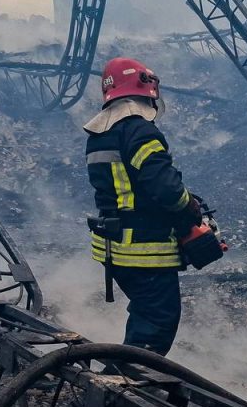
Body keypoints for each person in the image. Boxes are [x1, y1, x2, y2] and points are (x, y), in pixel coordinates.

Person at [85, 57, 204, 355]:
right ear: (146, 87)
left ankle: (123, 382)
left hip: (115, 247)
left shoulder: (101, 134)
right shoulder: (139, 130)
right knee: (157, 323)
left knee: (144, 316)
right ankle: (130, 388)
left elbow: (131, 187)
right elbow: (164, 187)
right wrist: (189, 205)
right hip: (145, 248)